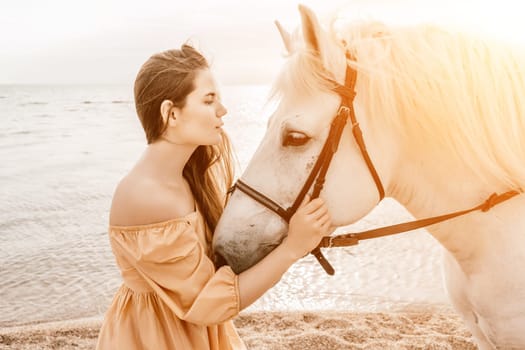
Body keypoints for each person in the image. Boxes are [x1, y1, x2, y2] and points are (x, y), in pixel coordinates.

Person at [96, 43, 332, 350]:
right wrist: (292, 248)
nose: (223, 110)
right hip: (155, 336)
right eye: (209, 100)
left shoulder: (188, 173)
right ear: (171, 113)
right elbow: (209, 304)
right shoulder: (146, 196)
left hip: (192, 331)